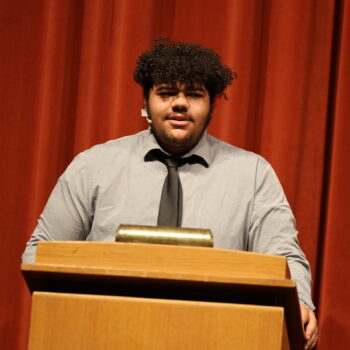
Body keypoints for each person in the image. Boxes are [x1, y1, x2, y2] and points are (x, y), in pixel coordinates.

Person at [22, 38, 318, 348]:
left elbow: (283, 254)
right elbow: (39, 253)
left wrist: (299, 300)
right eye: (166, 93)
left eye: (194, 94)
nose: (179, 103)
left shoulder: (253, 174)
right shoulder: (93, 166)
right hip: (103, 334)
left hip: (216, 336)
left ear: (212, 105)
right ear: (146, 102)